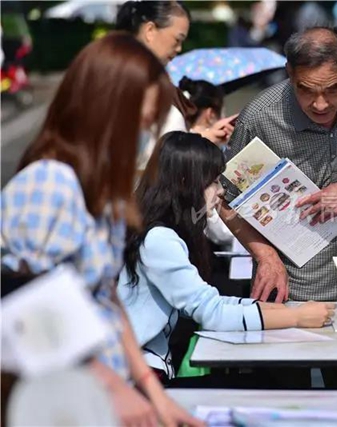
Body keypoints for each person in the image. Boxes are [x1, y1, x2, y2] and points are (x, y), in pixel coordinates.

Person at [0, 33, 202, 427]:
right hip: (58, 401)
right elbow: (32, 302)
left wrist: (149, 389)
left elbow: (105, 299)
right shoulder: (49, 182)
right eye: (143, 124)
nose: (147, 139)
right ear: (104, 110)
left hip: (100, 398)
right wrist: (112, 386)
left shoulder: (104, 197)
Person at [221, 25, 337, 388]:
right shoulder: (261, 116)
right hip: (286, 296)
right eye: (306, 91)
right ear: (290, 75)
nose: (320, 104)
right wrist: (266, 257)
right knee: (285, 404)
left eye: (332, 90)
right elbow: (227, 202)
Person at [118, 131, 335, 382]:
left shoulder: (152, 231)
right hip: (139, 380)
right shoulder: (159, 240)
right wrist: (296, 317)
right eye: (213, 182)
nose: (220, 191)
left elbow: (208, 303)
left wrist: (278, 310)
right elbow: (211, 312)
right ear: (186, 182)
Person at [115, 0, 236, 174]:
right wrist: (198, 140)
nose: (179, 48)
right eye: (177, 39)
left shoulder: (150, 76)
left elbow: (158, 143)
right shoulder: (127, 77)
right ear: (150, 30)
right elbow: (137, 152)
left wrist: (201, 136)